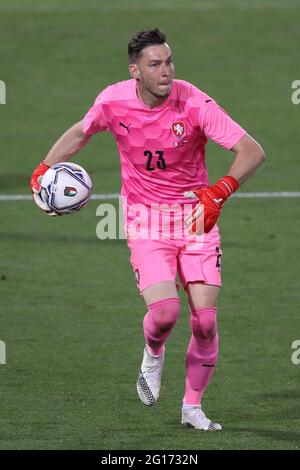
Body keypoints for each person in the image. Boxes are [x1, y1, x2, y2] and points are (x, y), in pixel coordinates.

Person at [31, 28, 265, 431]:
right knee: (164, 314)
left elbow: (252, 150)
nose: (166, 71)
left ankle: (192, 407)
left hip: (196, 219)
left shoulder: (193, 101)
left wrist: (220, 192)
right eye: (155, 64)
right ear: (135, 71)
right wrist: (43, 168)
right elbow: (80, 132)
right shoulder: (113, 101)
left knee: (205, 322)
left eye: (169, 61)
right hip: (146, 219)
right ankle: (152, 353)